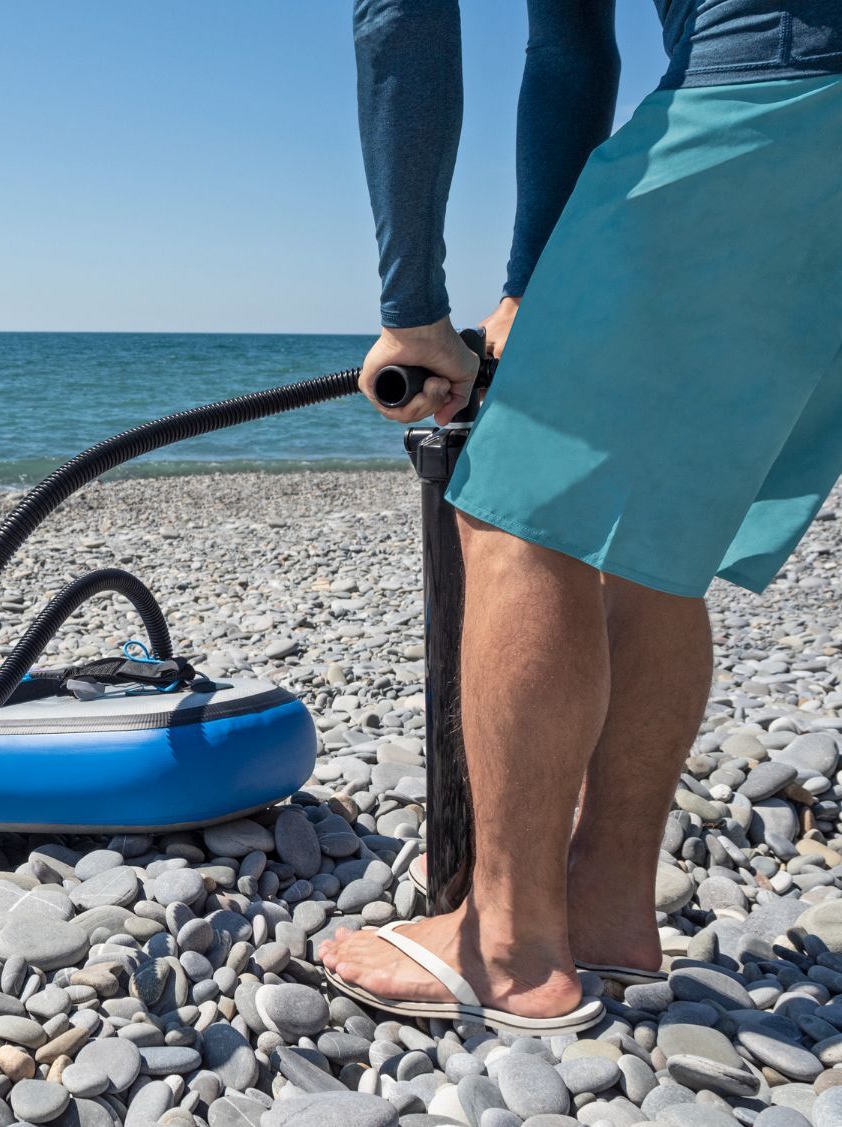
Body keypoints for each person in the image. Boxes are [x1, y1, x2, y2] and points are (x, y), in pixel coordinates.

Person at [319, 0, 842, 1033]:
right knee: (652, 525)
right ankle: (604, 907)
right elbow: (569, 44)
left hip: (763, 88)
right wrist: (528, 289)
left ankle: (507, 947)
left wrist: (410, 311)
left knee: (524, 508)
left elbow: (401, 22)